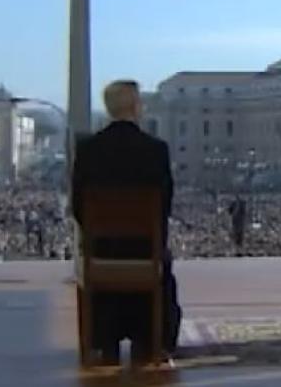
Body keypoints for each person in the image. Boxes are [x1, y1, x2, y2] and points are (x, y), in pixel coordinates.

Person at [71, 80, 181, 363]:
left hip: (102, 252)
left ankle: (102, 338)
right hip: (146, 250)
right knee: (164, 267)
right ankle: (154, 339)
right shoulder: (156, 150)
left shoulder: (88, 150)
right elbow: (164, 206)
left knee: (97, 260)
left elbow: (78, 206)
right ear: (135, 107)